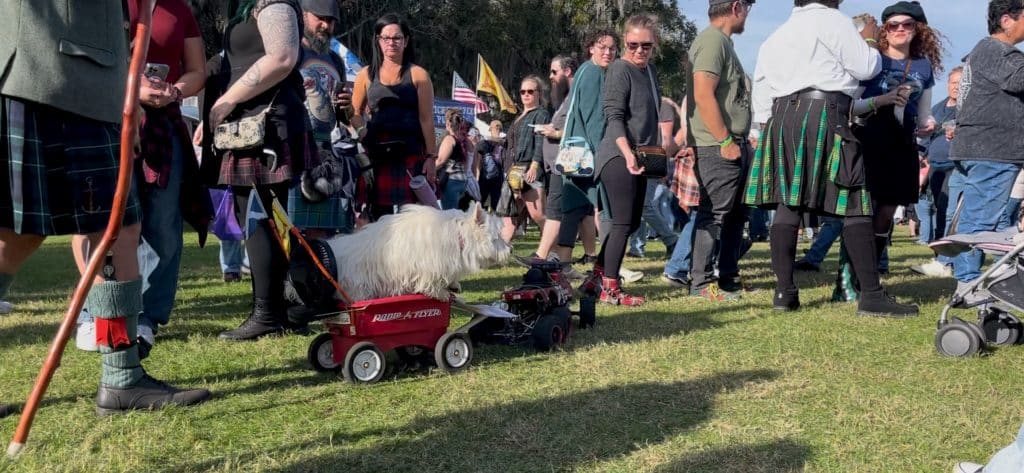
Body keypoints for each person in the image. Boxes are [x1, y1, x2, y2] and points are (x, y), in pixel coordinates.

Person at [0, 0, 210, 414]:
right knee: (19, 235)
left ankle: (121, 376)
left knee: (113, 231)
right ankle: (121, 378)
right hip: (49, 68)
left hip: (83, 78)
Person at [745, 0, 917, 316]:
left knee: (788, 203)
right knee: (855, 201)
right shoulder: (833, 21)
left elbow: (761, 91)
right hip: (827, 112)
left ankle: (785, 293)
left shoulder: (776, 35)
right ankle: (871, 296)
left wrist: (767, 127)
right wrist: (866, 38)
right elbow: (868, 67)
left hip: (781, 118)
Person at [74, 0, 207, 356]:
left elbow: (197, 70)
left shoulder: (178, 8)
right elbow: (85, 60)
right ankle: (93, 313)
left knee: (164, 229)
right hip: (110, 123)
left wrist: (174, 91)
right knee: (105, 224)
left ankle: (146, 318)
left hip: (164, 127)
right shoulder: (107, 5)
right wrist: (132, 89)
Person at [209, 0, 309, 340]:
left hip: (266, 124)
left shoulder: (272, 2)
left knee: (260, 216)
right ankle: (289, 304)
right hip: (249, 125)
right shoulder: (245, 7)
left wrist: (228, 100)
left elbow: (282, 57)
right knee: (267, 216)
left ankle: (270, 312)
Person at [832, 1, 942, 301]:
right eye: (893, 25)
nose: (900, 30)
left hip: (901, 144)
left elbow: (922, 115)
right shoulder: (871, 60)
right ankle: (844, 284)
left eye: (907, 24)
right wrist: (881, 101)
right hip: (868, 140)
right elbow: (848, 105)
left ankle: (866, 278)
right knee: (860, 213)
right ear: (884, 30)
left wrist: (927, 124)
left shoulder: (923, 66)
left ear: (917, 29)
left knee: (885, 213)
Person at [948, 0, 1024, 301]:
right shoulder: (995, 50)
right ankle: (969, 285)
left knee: (989, 220)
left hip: (986, 149)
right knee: (980, 222)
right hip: (991, 151)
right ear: (1006, 20)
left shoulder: (987, 51)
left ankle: (978, 280)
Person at [591, 14, 665, 306]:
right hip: (616, 154)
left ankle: (597, 276)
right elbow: (614, 116)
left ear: (654, 45)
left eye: (645, 45)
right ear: (625, 42)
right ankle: (610, 288)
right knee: (622, 222)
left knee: (632, 220)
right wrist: (627, 153)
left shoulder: (650, 72)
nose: (639, 51)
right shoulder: (620, 69)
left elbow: (653, 115)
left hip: (642, 156)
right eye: (633, 44)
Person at [687, 0, 754, 302]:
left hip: (733, 142)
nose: (749, 14)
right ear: (737, 6)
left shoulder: (723, 42)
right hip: (717, 144)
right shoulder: (712, 40)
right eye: (749, 6)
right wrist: (725, 140)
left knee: (736, 215)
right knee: (713, 214)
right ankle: (701, 284)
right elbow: (702, 92)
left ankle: (727, 278)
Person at [351, 13, 437, 219]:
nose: (391, 43)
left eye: (397, 38)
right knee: (374, 217)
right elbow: (354, 113)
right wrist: (362, 132)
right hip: (377, 154)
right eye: (386, 37)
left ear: (406, 41)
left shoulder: (419, 75)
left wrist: (431, 157)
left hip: (411, 153)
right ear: (378, 41)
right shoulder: (365, 75)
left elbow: (426, 119)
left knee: (415, 218)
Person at [551, 30, 617, 282]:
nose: (608, 52)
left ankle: (564, 265)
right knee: (608, 210)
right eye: (602, 47)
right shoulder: (591, 74)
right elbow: (593, 120)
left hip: (575, 155)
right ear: (591, 48)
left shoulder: (588, 72)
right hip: (587, 155)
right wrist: (604, 154)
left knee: (575, 208)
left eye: (612, 48)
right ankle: (611, 267)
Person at [287, 0, 355, 237]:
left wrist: (347, 107)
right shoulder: (290, 53)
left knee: (325, 231)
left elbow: (345, 117)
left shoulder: (336, 61)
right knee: (292, 228)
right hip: (295, 146)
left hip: (327, 151)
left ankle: (317, 274)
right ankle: (290, 274)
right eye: (320, 18)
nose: (326, 25)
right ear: (304, 15)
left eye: (331, 21)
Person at [911, 65, 964, 277]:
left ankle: (948, 261)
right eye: (953, 83)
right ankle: (941, 258)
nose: (956, 87)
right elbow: (925, 135)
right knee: (940, 212)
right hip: (935, 167)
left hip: (956, 166)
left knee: (951, 212)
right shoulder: (938, 108)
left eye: (961, 83)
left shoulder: (967, 108)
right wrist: (920, 155)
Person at [534, 55, 577, 262]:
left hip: (567, 163)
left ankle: (540, 257)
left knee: (555, 212)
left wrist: (555, 134)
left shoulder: (576, 95)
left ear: (567, 71)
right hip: (559, 165)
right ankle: (563, 261)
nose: (550, 76)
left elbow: (577, 128)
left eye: (554, 71)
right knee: (571, 214)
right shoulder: (565, 98)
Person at [630, 96, 684, 259]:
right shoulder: (641, 104)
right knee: (638, 204)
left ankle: (671, 239)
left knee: (645, 205)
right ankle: (636, 247)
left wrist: (661, 166)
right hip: (639, 156)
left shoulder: (663, 106)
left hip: (653, 157)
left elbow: (666, 140)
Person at [500, 75, 550, 242]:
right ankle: (500, 253)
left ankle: (555, 250)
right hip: (514, 171)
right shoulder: (519, 117)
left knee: (538, 215)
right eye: (523, 92)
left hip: (530, 168)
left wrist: (535, 166)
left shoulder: (541, 114)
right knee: (510, 215)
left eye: (530, 91)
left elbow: (540, 141)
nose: (526, 95)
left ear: (538, 93)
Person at [436, 108, 470, 209]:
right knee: (456, 214)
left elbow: (441, 160)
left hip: (451, 181)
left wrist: (427, 171)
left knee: (449, 216)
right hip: (461, 181)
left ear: (448, 123)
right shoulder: (460, 141)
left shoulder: (449, 139)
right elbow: (465, 164)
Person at [477, 120, 506, 212]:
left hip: (487, 176)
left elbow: (479, 160)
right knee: (493, 202)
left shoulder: (484, 142)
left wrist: (477, 174)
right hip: (494, 176)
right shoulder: (504, 143)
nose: (497, 129)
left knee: (482, 201)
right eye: (496, 127)